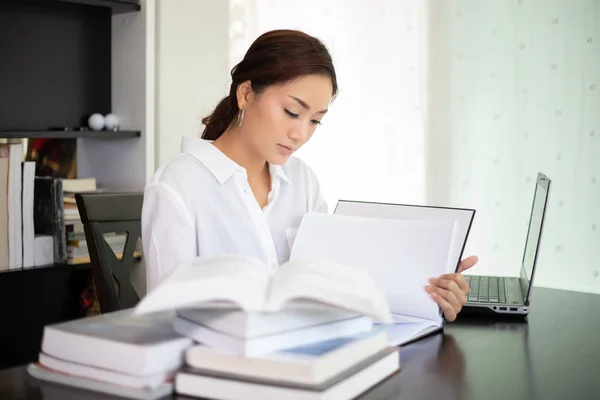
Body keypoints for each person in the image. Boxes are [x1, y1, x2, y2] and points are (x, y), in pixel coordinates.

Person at [141, 29, 478, 322]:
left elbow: (331, 281)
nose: (301, 134)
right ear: (245, 94)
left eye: (315, 120)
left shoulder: (301, 181)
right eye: (292, 112)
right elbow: (166, 317)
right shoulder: (178, 186)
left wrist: (427, 289)